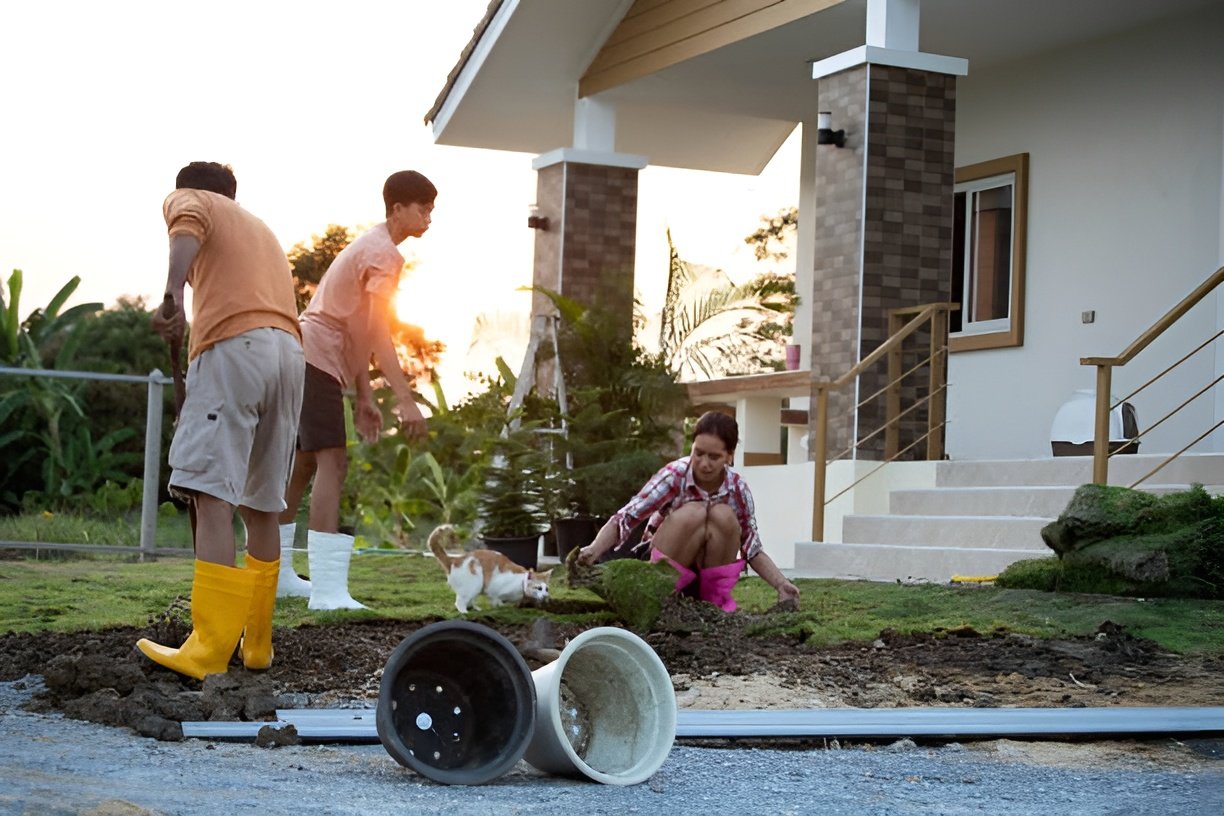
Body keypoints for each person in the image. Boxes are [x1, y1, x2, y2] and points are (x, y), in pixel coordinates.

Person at [137, 162, 305, 680]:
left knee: (212, 496)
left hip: (236, 348)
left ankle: (208, 648)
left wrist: (173, 296)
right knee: (261, 505)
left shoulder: (190, 202)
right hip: (289, 353)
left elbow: (184, 226)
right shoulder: (261, 231)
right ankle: (255, 646)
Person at [276, 171, 434, 609]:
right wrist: (405, 401)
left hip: (312, 355)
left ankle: (279, 576)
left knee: (306, 462)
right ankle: (326, 591)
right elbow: (380, 331)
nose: (428, 216)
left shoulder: (375, 247)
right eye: (422, 207)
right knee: (334, 462)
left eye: (432, 209)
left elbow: (362, 330)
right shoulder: (384, 254)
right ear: (397, 208)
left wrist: (364, 397)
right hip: (316, 356)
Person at [576, 411, 800, 611]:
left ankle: (711, 606)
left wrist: (781, 583)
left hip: (707, 572)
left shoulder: (737, 489)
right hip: (667, 562)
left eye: (714, 457)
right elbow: (626, 517)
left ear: (729, 456)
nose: (704, 464)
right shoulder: (675, 475)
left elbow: (751, 547)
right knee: (695, 512)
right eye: (699, 453)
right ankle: (662, 597)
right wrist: (594, 550)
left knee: (722, 514)